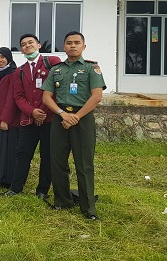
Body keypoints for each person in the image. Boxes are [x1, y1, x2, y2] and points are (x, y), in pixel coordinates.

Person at [42, 31, 106, 220]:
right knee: (57, 162)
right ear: (64, 46)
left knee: (84, 164)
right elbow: (46, 96)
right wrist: (62, 114)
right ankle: (62, 201)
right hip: (60, 117)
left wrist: (76, 117)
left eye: (77, 43)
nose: (73, 46)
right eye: (69, 43)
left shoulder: (91, 68)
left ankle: (88, 208)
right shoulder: (56, 70)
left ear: (83, 47)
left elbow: (97, 96)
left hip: (82, 118)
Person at [2, 34, 61, 199]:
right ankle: (16, 188)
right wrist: (32, 112)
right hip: (28, 120)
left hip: (49, 119)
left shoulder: (52, 62)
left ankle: (42, 191)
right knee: (22, 154)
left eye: (30, 43)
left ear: (39, 45)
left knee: (47, 156)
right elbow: (18, 97)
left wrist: (43, 111)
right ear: (21, 50)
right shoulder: (19, 71)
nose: (27, 46)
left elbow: (57, 89)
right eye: (23, 44)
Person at [0, 47, 18, 187]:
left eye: (2, 57)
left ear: (9, 58)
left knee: (7, 149)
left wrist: (5, 119)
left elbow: (12, 99)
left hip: (7, 119)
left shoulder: (13, 74)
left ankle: (6, 179)